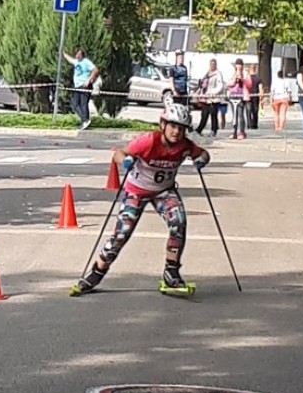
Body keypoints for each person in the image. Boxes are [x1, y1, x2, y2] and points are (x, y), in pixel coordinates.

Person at [73, 102, 210, 294]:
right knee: (123, 233)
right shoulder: (148, 141)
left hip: (163, 191)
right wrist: (126, 160)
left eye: (181, 128)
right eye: (173, 126)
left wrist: (202, 159)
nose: (177, 132)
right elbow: (119, 154)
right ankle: (96, 273)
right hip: (136, 191)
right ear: (163, 124)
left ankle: (171, 273)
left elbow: (203, 153)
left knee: (179, 222)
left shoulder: (184, 146)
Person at [63, 48, 99, 130]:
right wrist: (64, 54)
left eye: (79, 54)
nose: (77, 56)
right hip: (77, 86)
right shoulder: (76, 62)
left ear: (82, 55)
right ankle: (85, 120)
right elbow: (70, 60)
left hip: (84, 85)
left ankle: (85, 121)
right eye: (76, 54)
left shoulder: (86, 62)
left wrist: (89, 80)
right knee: (75, 104)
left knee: (83, 104)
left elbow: (95, 70)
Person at [195, 58, 225, 136]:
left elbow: (220, 85)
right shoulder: (207, 73)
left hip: (213, 98)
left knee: (213, 115)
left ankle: (214, 130)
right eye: (211, 64)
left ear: (216, 65)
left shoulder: (218, 74)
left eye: (213, 64)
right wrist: (198, 92)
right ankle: (199, 130)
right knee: (204, 115)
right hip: (205, 98)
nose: (212, 66)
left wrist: (213, 92)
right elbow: (203, 85)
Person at [226, 58, 251, 140]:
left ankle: (242, 132)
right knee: (234, 115)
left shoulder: (246, 73)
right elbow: (228, 83)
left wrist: (242, 79)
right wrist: (234, 80)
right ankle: (234, 132)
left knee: (240, 115)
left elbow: (249, 84)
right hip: (233, 96)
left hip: (241, 96)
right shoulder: (232, 73)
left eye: (240, 64)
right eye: (237, 64)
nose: (239, 66)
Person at [246, 64, 264, 130]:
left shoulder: (247, 78)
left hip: (248, 96)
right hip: (256, 96)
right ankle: (254, 125)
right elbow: (260, 88)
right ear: (255, 69)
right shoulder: (258, 78)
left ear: (249, 69)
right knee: (255, 111)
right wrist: (261, 97)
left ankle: (249, 124)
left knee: (248, 111)